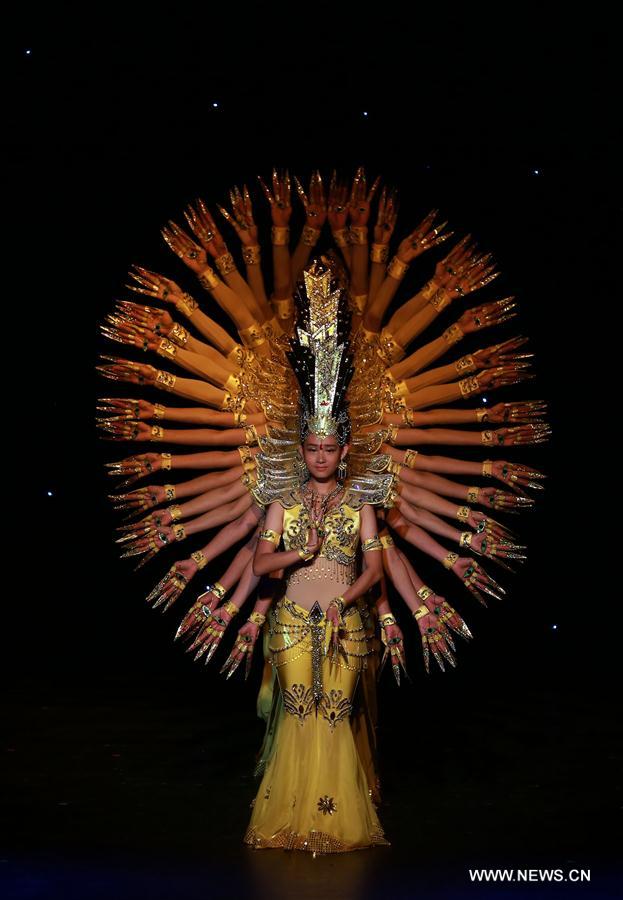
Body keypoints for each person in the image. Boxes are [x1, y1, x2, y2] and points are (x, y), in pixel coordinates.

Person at [96, 166, 549, 856]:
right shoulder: (277, 497)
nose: (319, 454)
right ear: (301, 448)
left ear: (341, 450)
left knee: (337, 714)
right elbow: (255, 559)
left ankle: (338, 818)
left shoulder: (366, 501)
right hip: (290, 615)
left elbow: (377, 561)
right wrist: (295, 556)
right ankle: (288, 816)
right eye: (310, 445)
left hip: (344, 618)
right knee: (298, 711)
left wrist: (372, 597)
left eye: (329, 445)